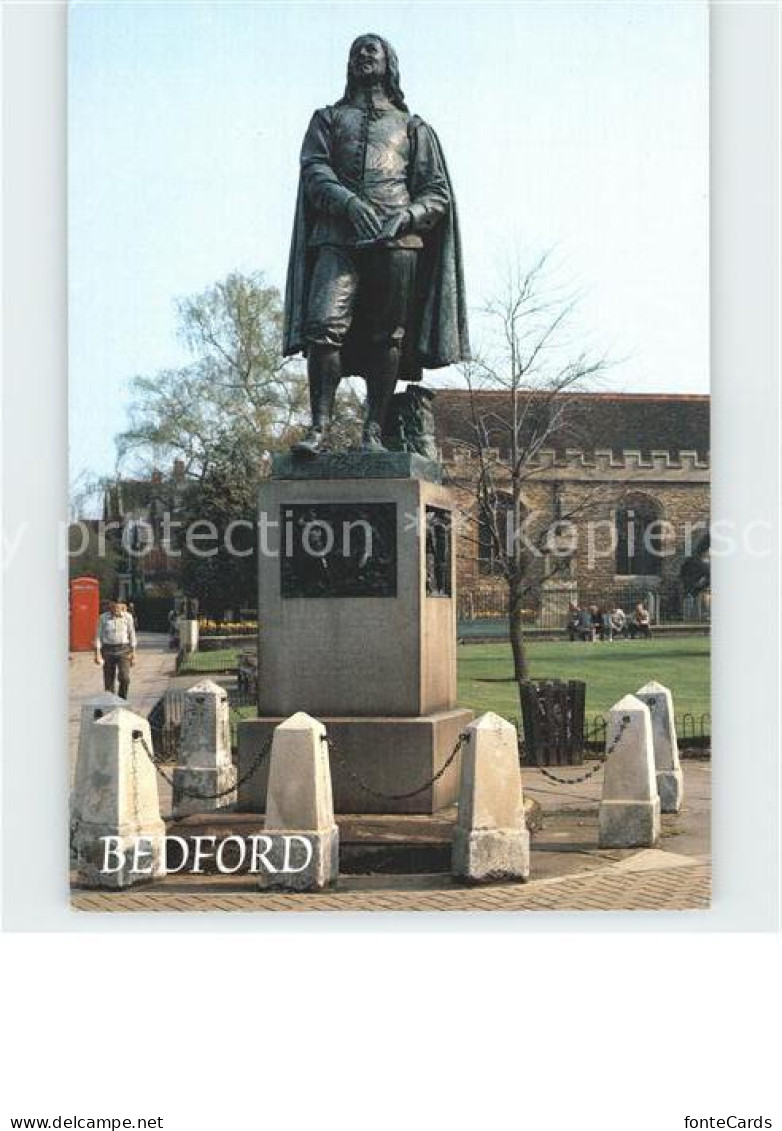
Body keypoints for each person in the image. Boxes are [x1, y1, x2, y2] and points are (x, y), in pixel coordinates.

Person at [283, 33, 470, 456]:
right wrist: (349, 204)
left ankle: (372, 431)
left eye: (372, 49)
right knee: (322, 327)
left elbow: (437, 192)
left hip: (397, 240)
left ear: (389, 62)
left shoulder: (413, 128)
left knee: (387, 337)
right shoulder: (327, 120)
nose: (363, 54)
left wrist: (406, 216)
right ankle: (319, 428)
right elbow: (314, 170)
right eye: (356, 50)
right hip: (337, 237)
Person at [94, 599, 137, 699]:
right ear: (110, 607)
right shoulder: (103, 618)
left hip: (123, 649)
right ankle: (110, 702)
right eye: (113, 607)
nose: (116, 610)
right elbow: (98, 636)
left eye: (118, 607)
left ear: (122, 607)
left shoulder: (128, 617)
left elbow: (132, 634)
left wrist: (133, 653)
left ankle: (122, 699)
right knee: (109, 680)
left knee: (125, 677)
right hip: (108, 649)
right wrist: (97, 654)